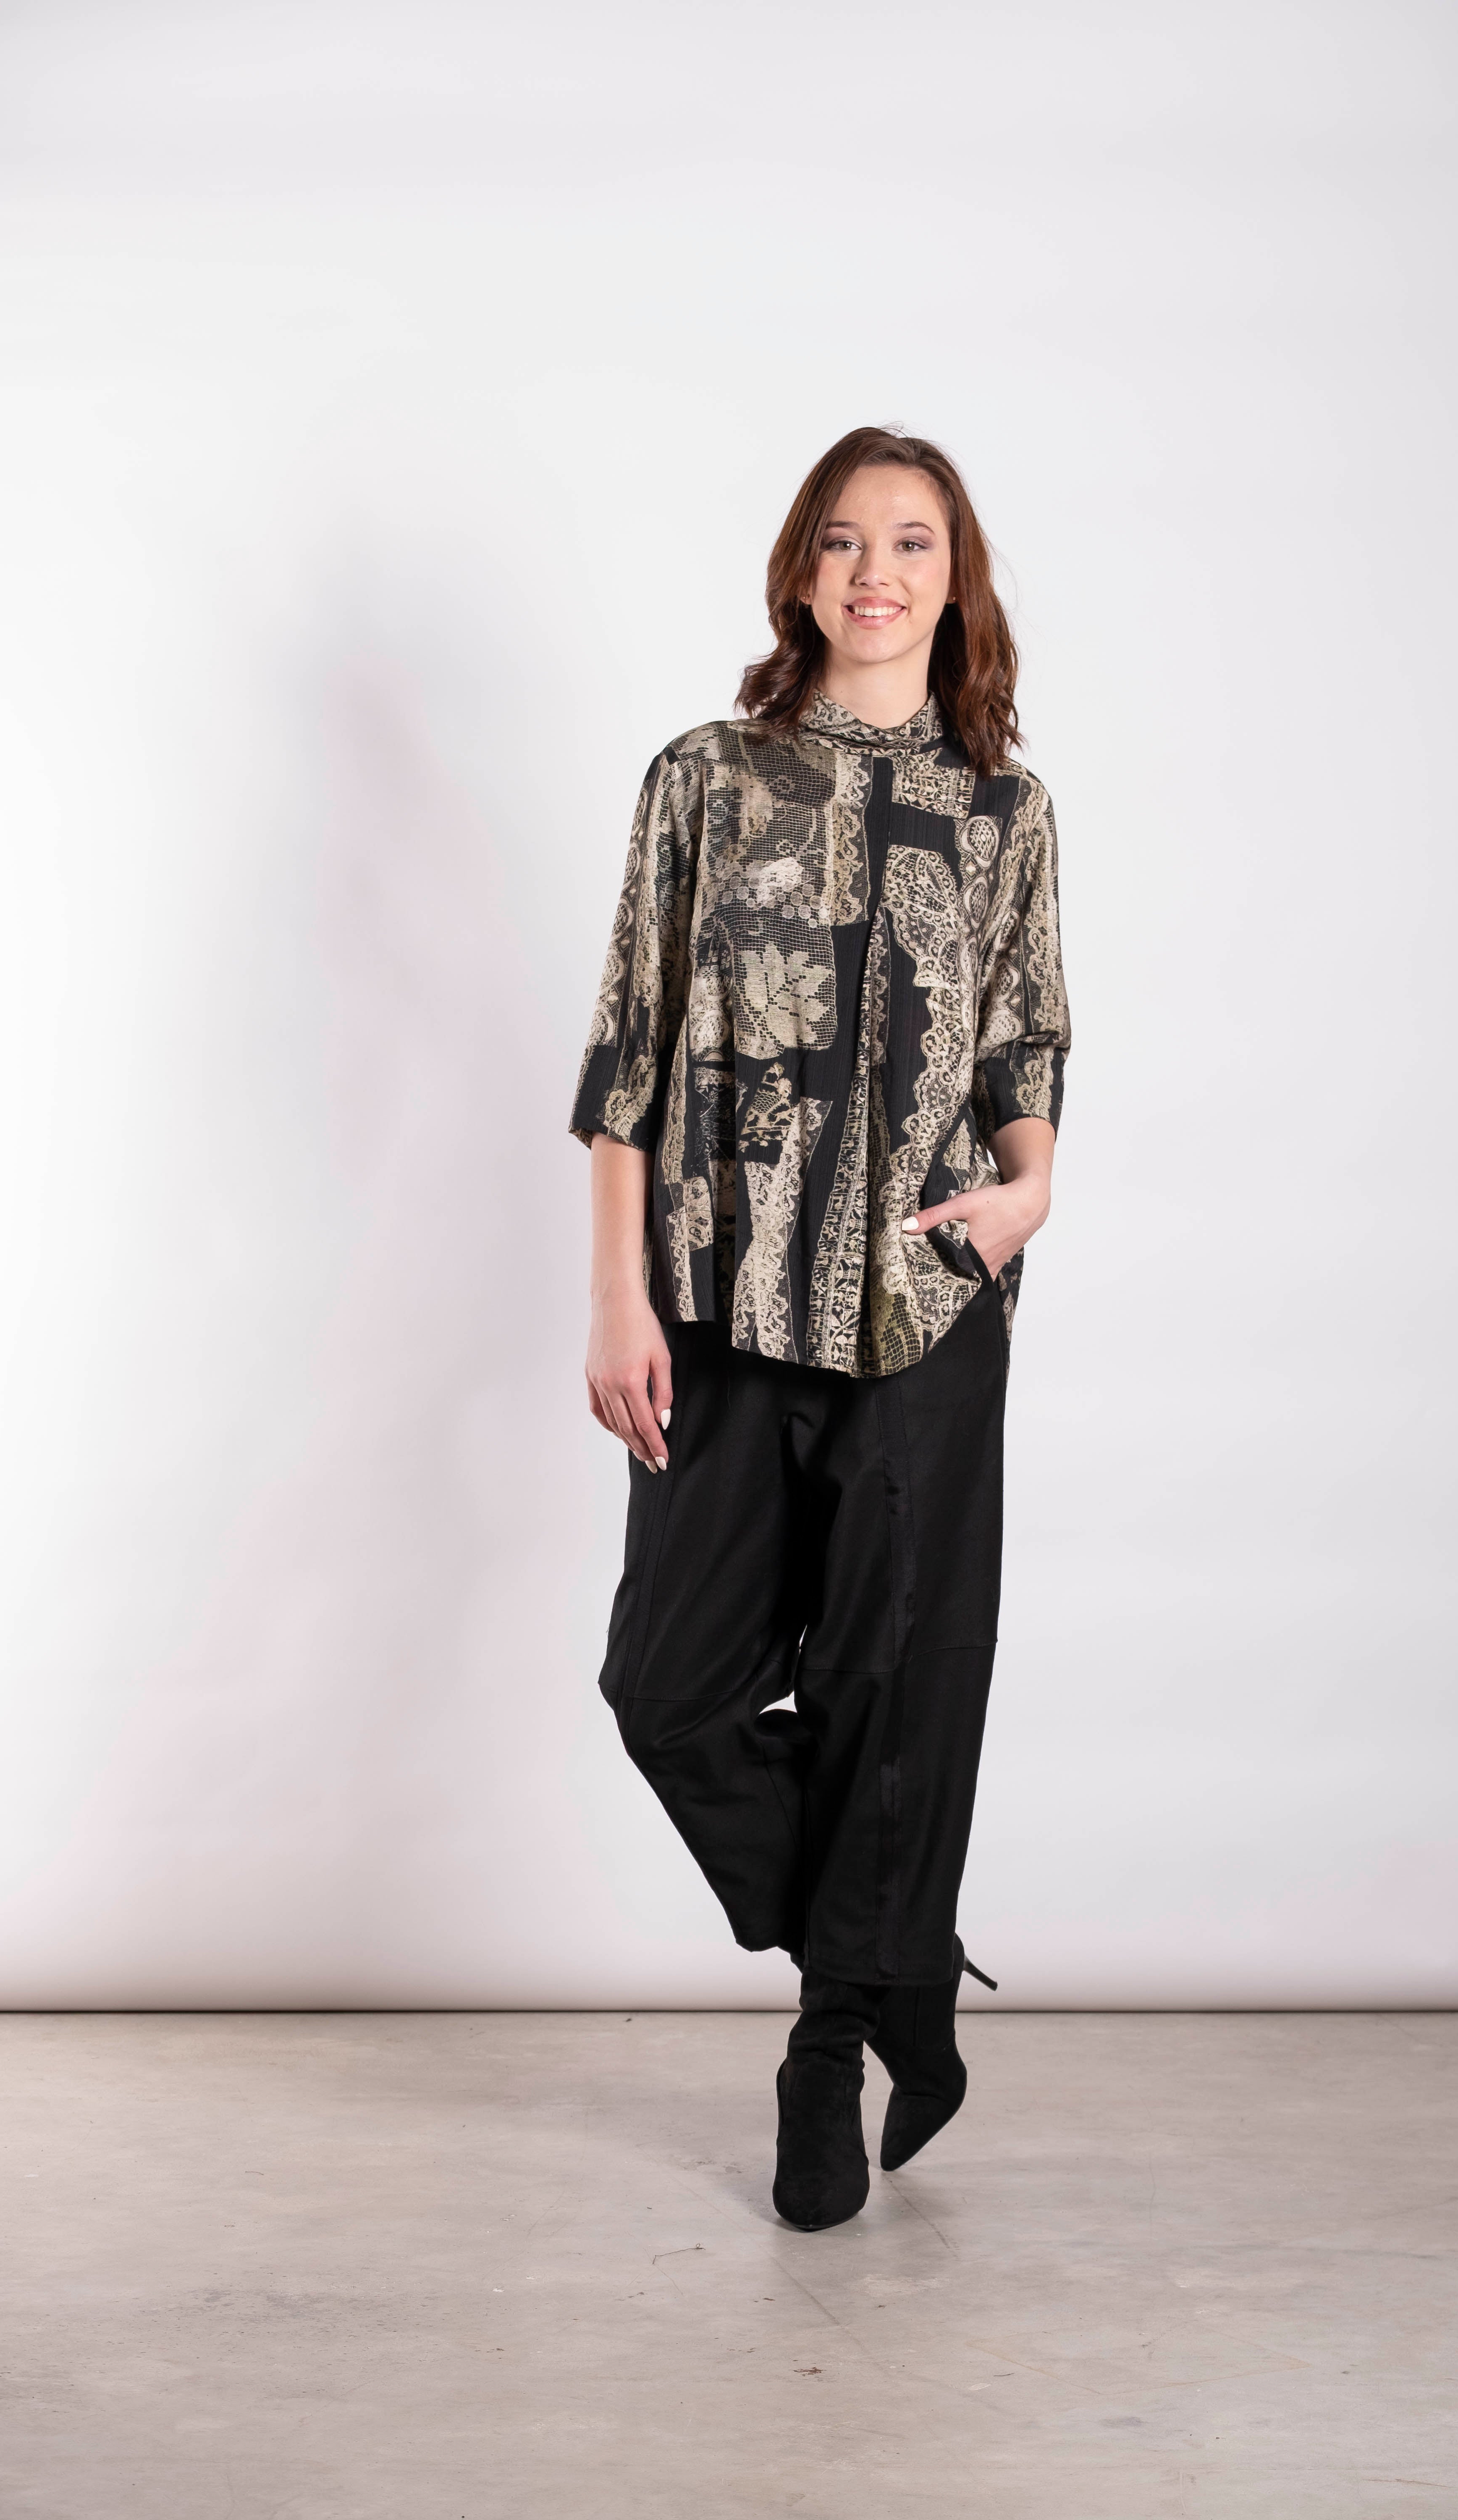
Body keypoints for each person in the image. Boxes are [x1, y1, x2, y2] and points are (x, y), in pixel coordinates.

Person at [569, 425, 1070, 2230]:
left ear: (955, 579)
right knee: (668, 1691)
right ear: (800, 571)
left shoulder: (1005, 808)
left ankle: (831, 2040)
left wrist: (1029, 1191)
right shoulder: (706, 778)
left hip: (926, 1304)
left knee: (891, 1688)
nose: (877, 572)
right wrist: (618, 1294)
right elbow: (630, 1051)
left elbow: (1025, 1035)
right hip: (719, 1300)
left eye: (914, 543)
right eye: (847, 541)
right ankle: (898, 1964)